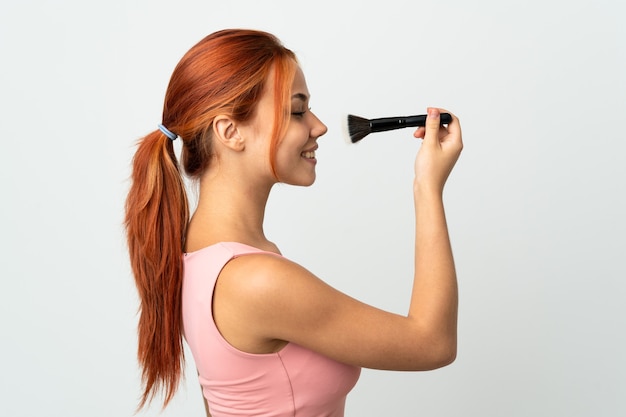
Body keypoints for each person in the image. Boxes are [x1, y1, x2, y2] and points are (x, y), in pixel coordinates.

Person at [125, 29, 462, 417]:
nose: (318, 126)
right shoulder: (255, 279)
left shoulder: (199, 255)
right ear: (230, 131)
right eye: (297, 110)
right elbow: (432, 342)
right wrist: (428, 187)